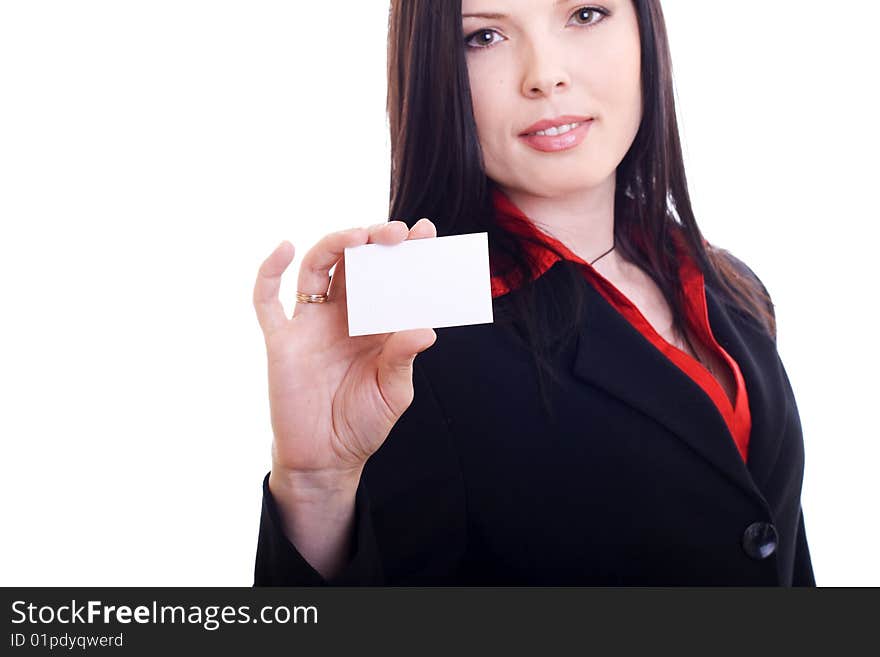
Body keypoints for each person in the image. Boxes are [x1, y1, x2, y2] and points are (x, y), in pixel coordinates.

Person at [251, 0, 816, 586]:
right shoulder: (411, 341)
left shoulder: (727, 284)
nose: (545, 74)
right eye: (485, 36)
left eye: (587, 15)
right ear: (435, 68)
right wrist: (314, 488)